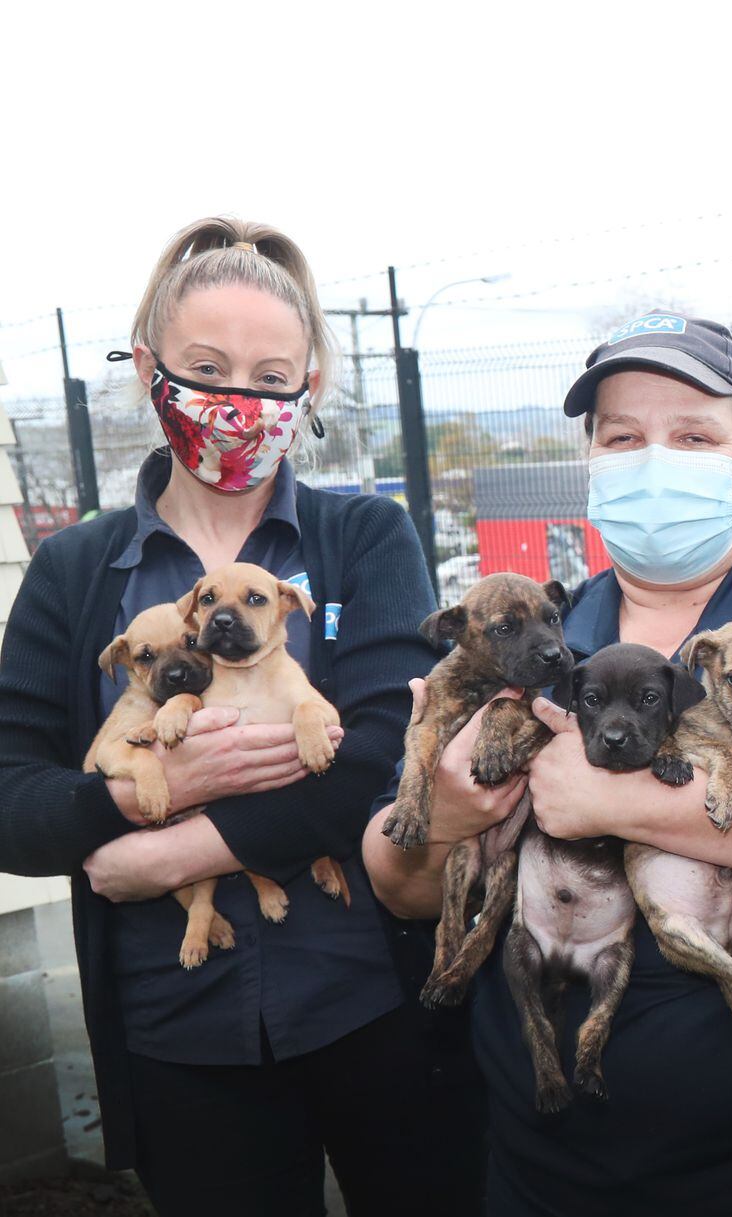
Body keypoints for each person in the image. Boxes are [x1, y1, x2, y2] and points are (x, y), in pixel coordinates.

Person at [364, 312, 732, 1217]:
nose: (654, 461)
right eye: (623, 438)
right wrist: (439, 815)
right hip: (553, 1172)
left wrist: (597, 792)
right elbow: (397, 879)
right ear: (590, 467)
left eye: (693, 436)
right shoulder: (535, 638)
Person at [0, 217, 483, 1216]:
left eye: (272, 376)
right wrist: (140, 801)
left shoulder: (366, 538)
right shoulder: (76, 572)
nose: (240, 403)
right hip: (180, 1030)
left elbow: (390, 762)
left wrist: (172, 848)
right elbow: (13, 800)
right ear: (149, 369)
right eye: (207, 369)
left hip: (379, 1007)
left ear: (307, 389)